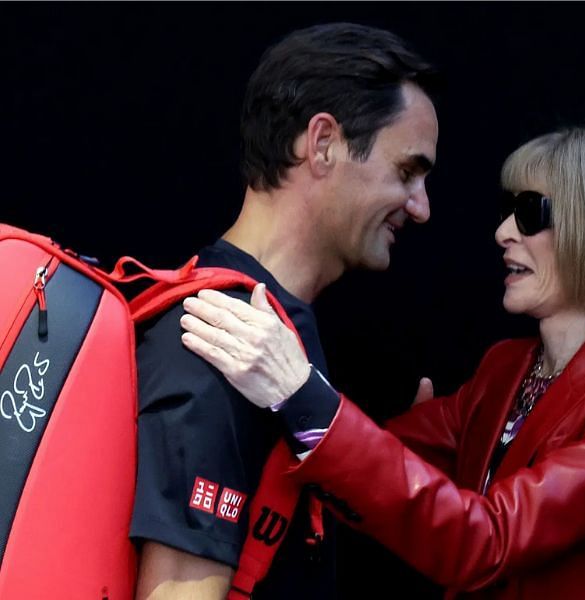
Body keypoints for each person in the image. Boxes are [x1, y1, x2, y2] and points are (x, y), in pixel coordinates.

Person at [177, 123, 585, 598]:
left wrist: (304, 395)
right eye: (508, 213)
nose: (503, 233)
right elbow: (363, 476)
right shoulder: (507, 368)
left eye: (530, 214)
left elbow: (485, 541)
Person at [130, 23, 438, 599]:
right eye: (407, 172)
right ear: (322, 143)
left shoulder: (268, 329)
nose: (421, 208)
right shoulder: (217, 336)